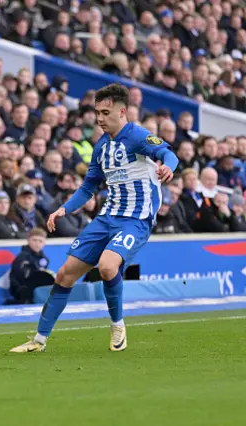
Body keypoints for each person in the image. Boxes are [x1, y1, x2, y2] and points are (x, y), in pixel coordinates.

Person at [11, 83, 179, 354]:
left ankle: (117, 325)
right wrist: (63, 209)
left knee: (108, 266)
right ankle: (39, 341)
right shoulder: (101, 147)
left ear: (122, 112)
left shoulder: (137, 136)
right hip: (106, 218)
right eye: (97, 112)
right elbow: (89, 187)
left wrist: (167, 168)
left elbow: (168, 154)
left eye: (105, 112)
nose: (99, 118)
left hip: (135, 220)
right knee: (65, 274)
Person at [9, 228, 52, 304]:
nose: (37, 244)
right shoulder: (22, 258)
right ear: (28, 240)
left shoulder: (44, 259)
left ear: (44, 243)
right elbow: (21, 278)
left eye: (40, 241)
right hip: (23, 294)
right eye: (34, 240)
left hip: (39, 293)